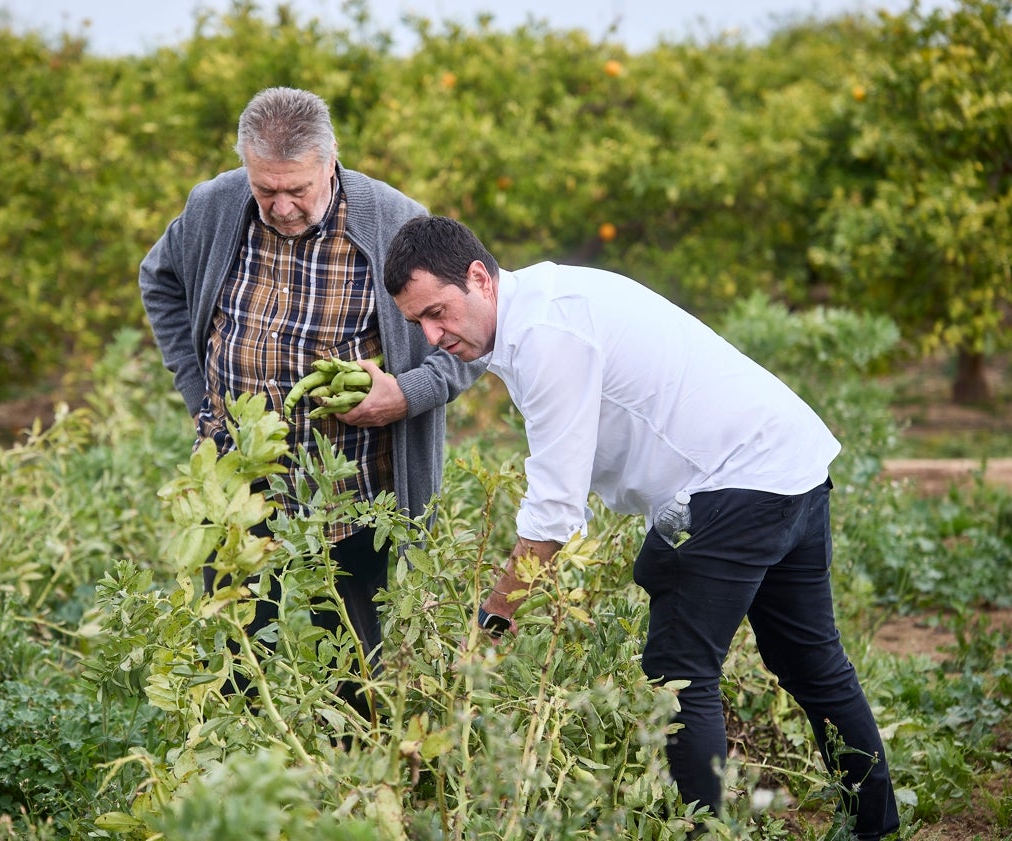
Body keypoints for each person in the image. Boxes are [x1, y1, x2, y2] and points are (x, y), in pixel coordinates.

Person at [382, 215, 900, 839]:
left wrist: (495, 619)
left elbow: (554, 507)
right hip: (786, 462)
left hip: (736, 479)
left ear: (478, 278)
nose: (434, 336)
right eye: (419, 324)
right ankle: (877, 828)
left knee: (679, 675)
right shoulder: (542, 305)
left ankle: (699, 831)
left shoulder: (546, 333)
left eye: (438, 312)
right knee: (810, 661)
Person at [138, 89, 483, 717]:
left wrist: (404, 395)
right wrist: (198, 392)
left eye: (296, 188)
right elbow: (159, 281)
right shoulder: (215, 207)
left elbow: (476, 341)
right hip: (238, 478)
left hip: (354, 488)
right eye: (266, 189)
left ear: (330, 163)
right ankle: (250, 787)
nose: (281, 205)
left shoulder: (396, 222)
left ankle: (359, 788)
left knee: (361, 667)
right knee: (237, 653)